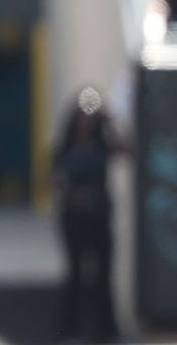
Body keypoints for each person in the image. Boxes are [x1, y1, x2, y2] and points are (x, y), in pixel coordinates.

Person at [53, 86, 123, 342]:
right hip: (75, 221)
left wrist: (110, 121)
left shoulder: (102, 146)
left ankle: (105, 329)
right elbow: (56, 178)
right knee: (75, 273)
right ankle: (70, 327)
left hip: (100, 219)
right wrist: (75, 196)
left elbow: (125, 149)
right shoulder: (66, 150)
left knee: (103, 275)